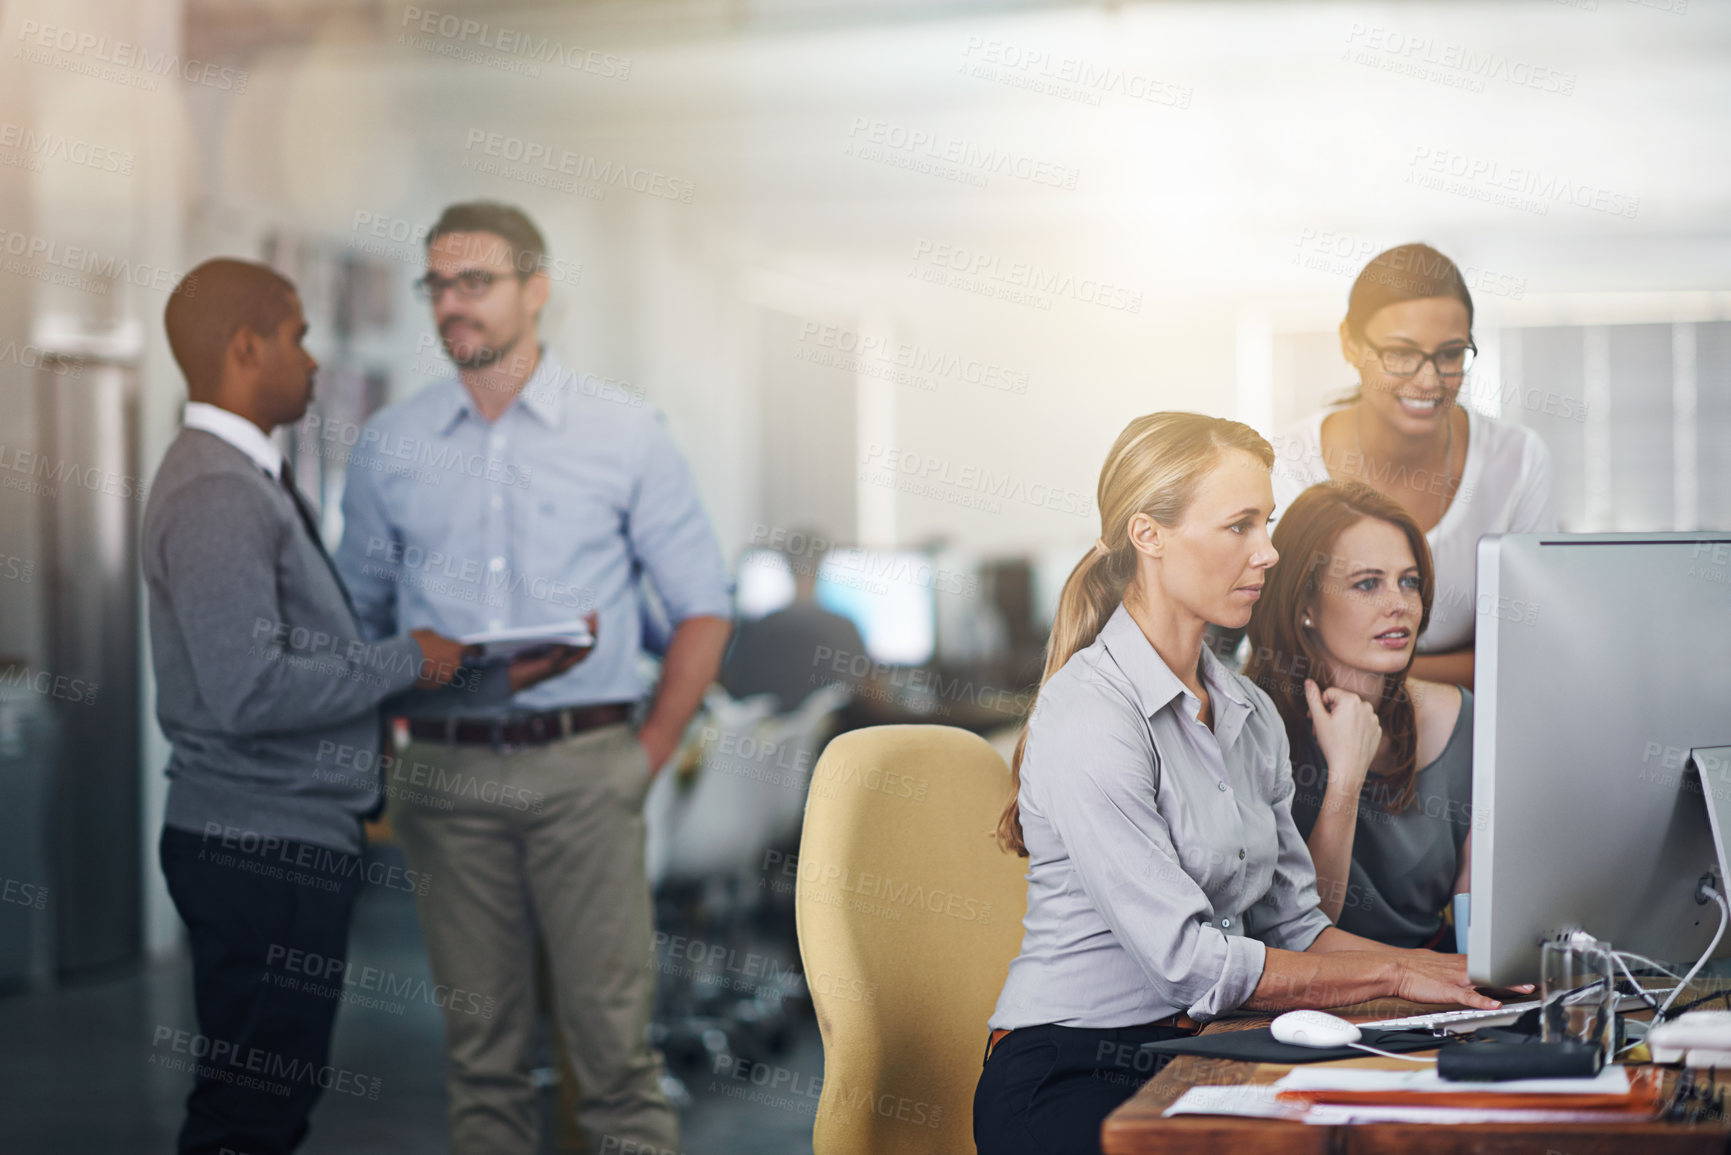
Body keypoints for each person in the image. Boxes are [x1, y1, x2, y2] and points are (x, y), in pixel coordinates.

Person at [974, 412, 1510, 1155]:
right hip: (1073, 1066)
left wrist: (1455, 976)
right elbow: (1189, 960)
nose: (1267, 552)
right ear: (1148, 535)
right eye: (1239, 526)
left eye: (1268, 523)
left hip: (1202, 1047)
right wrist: (1390, 968)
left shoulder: (1245, 709)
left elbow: (1296, 925)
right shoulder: (1090, 712)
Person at [145, 259, 574, 1155]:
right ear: (245, 346)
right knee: (250, 1112)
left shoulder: (247, 479)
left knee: (267, 1100)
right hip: (261, 842)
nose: (311, 361)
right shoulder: (218, 489)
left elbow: (307, 662)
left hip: (283, 837)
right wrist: (404, 656)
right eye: (299, 338)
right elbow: (249, 686)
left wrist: (488, 671)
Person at [333, 202, 732, 1155]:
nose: (451, 305)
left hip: (584, 769)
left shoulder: (625, 432)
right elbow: (357, 623)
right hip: (445, 776)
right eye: (438, 284)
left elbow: (702, 607)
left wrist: (644, 755)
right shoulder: (392, 444)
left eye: (476, 283)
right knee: (484, 1062)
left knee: (615, 1058)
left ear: (536, 290)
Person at [1270, 243, 1554, 690]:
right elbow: (1282, 648)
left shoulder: (1516, 459)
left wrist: (1371, 669)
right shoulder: (1287, 461)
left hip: (1470, 728)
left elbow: (1528, 652)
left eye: (1450, 354)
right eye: (1400, 354)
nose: (1429, 380)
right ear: (1349, 342)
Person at [1245, 480, 1471, 949]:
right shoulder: (1249, 726)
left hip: (1439, 998)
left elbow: (1480, 936)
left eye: (1409, 581)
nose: (1399, 604)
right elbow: (1296, 939)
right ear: (1305, 604)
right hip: (1313, 1007)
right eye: (1368, 583)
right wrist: (1345, 781)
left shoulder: (1462, 719)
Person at [720, 532, 866, 713]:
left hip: (763, 732)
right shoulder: (845, 628)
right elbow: (863, 689)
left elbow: (733, 687)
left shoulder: (757, 628)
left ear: (787, 567)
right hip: (828, 735)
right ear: (821, 568)